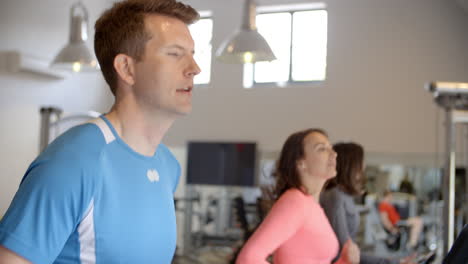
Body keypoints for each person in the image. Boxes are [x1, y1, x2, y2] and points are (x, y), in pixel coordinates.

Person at [0, 0, 201, 263]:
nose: (194, 68)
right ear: (127, 68)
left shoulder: (167, 166)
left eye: (193, 54)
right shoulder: (73, 162)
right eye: (175, 54)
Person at [236, 128, 360, 264]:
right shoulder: (295, 201)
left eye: (331, 148)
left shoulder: (311, 205)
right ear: (301, 163)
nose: (334, 154)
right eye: (322, 149)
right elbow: (249, 258)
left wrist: (344, 261)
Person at [321, 142, 416, 264]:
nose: (363, 166)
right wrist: (392, 262)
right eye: (360, 162)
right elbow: (344, 249)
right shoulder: (335, 196)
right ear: (350, 165)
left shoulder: (345, 196)